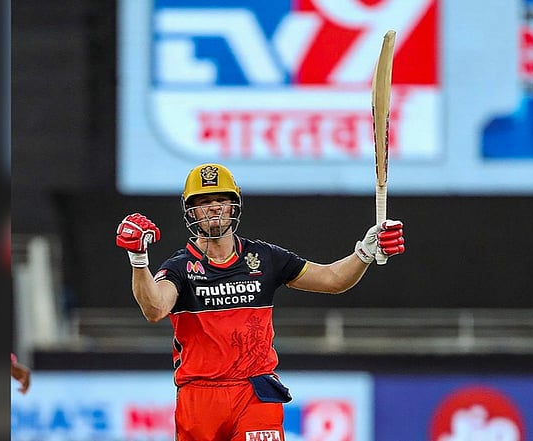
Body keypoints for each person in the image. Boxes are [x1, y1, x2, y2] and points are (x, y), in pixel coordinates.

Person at [115, 163, 405, 441]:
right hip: (199, 397)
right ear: (190, 210)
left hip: (254, 391)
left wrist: (364, 253)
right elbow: (155, 309)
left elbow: (332, 279)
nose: (214, 207)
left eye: (221, 200)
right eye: (204, 201)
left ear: (234, 204)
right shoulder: (180, 267)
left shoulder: (265, 258)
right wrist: (139, 260)